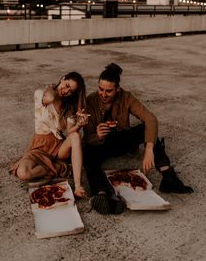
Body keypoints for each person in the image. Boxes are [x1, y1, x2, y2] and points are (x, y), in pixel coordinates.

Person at [83, 63, 193, 214]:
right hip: (100, 145)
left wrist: (148, 149)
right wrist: (97, 135)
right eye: (101, 89)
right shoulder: (90, 101)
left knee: (145, 129)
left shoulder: (126, 97)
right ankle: (103, 194)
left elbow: (151, 119)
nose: (103, 94)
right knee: (87, 153)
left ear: (117, 89)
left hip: (122, 141)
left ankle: (168, 177)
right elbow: (87, 137)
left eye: (109, 91)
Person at [10, 71, 89, 197]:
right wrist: (53, 87)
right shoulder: (41, 93)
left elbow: (69, 131)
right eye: (67, 85)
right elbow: (51, 98)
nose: (66, 91)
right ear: (63, 79)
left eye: (71, 91)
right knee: (23, 173)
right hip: (40, 146)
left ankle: (78, 186)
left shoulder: (68, 107)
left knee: (75, 136)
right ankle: (59, 168)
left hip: (58, 148)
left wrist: (79, 124)